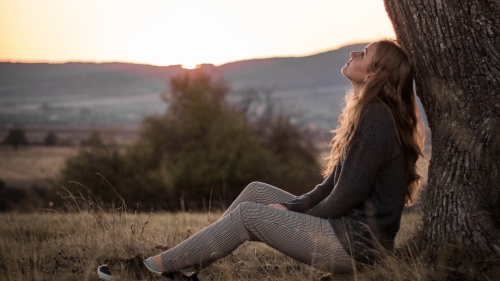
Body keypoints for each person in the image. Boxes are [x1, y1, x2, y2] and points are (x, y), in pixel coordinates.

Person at [98, 40, 424, 280]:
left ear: (374, 75)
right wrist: (294, 207)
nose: (354, 54)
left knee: (250, 215)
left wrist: (289, 211)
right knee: (256, 192)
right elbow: (329, 186)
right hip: (345, 233)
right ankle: (184, 267)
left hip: (355, 247)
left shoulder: (377, 117)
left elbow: (346, 196)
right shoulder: (370, 114)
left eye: (363, 54)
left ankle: (153, 270)